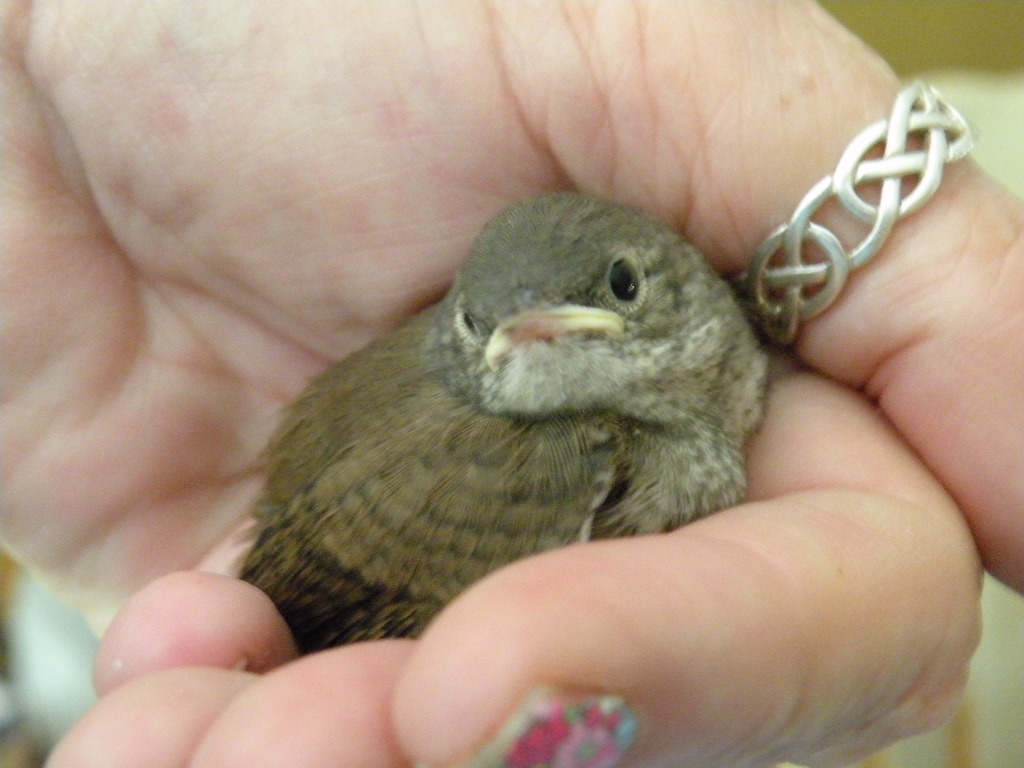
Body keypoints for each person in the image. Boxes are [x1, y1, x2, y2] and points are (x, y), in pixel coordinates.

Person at [1, 2, 1020, 766]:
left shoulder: (711, 334)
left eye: (618, 292)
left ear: (666, 278)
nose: (529, 340)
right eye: (486, 328)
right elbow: (337, 617)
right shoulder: (568, 453)